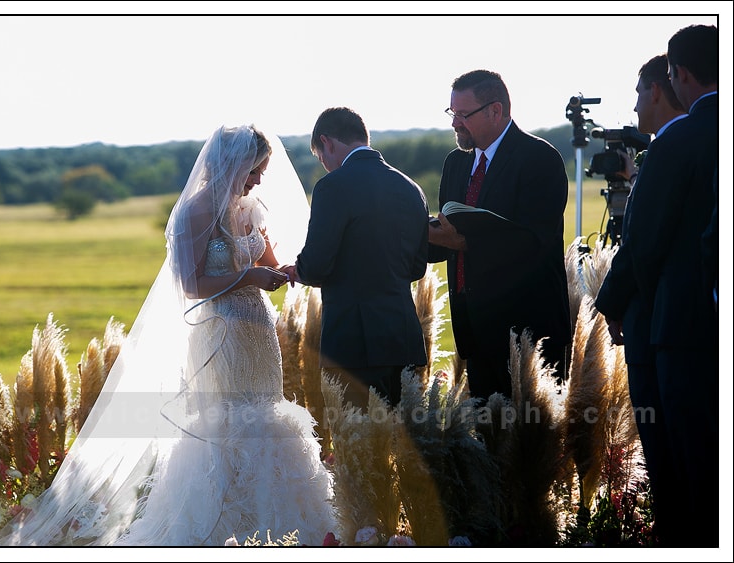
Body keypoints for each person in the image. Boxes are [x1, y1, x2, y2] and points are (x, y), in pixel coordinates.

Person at [0, 124, 338, 546]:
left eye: (262, 170)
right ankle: (221, 532)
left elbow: (269, 261)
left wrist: (288, 272)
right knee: (228, 423)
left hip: (257, 330)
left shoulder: (251, 209)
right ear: (232, 164)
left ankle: (282, 531)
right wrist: (248, 275)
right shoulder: (196, 213)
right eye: (254, 170)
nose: (259, 180)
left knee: (266, 412)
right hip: (220, 331)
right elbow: (191, 285)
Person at [624, 24, 717, 547]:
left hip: (678, 330)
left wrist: (618, 304)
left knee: (685, 470)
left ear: (678, 75)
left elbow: (644, 242)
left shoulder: (678, 139)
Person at [428, 70, 571, 401]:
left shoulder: (539, 159)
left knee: (532, 445)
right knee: (487, 443)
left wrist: (461, 241)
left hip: (528, 334)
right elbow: (447, 241)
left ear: (496, 110)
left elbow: (532, 243)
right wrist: (412, 234)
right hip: (473, 332)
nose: (455, 124)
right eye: (452, 113)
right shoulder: (455, 164)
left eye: (463, 115)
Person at [594, 52, 687, 545]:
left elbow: (641, 246)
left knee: (670, 457)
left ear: (658, 89)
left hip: (659, 327)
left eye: (637, 93)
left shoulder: (671, 148)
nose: (633, 108)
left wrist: (607, 302)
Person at [282, 107, 429, 410]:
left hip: (353, 345)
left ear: (327, 142)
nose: (325, 166)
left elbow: (317, 264)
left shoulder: (333, 187)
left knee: (358, 446)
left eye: (321, 158)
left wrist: (299, 270)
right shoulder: (411, 188)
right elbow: (416, 268)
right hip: (403, 339)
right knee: (400, 447)